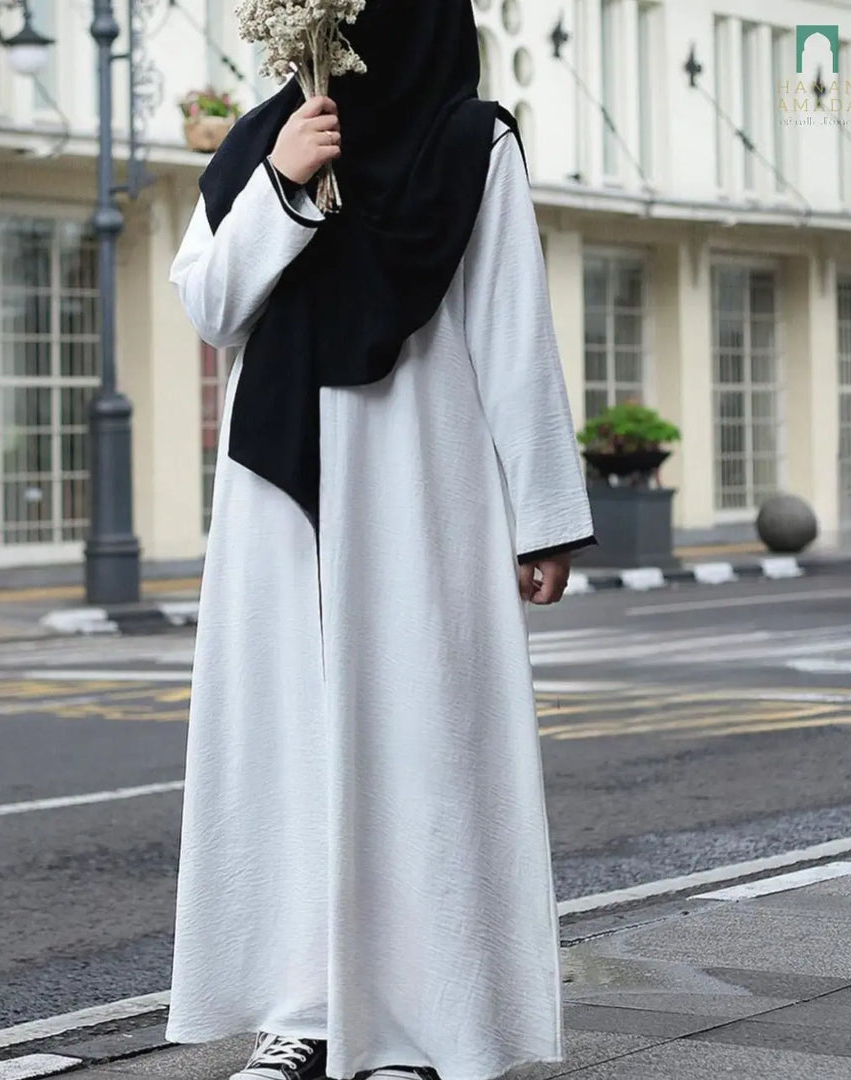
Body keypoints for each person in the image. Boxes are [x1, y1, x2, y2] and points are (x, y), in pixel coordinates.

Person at [165, 2, 596, 1080]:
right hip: (278, 496)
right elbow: (212, 306)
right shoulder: (271, 133)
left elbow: (512, 329)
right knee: (291, 753)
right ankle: (300, 1008)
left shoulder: (469, 144)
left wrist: (543, 513)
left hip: (418, 489)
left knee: (417, 749)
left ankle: (414, 1024)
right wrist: (281, 184)